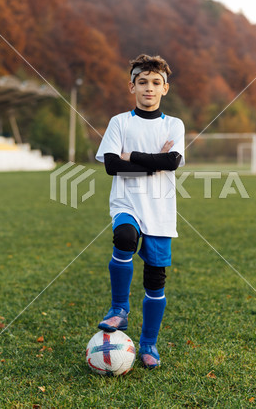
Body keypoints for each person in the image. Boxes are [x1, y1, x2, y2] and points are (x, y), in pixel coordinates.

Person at [95, 54, 185, 368]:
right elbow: (110, 166)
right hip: (127, 203)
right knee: (123, 236)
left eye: (155, 83)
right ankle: (119, 309)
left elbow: (171, 161)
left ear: (165, 88)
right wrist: (151, 164)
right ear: (131, 86)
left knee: (155, 280)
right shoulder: (120, 122)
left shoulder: (173, 124)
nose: (149, 88)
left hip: (160, 211)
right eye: (142, 82)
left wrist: (130, 155)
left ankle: (148, 344)